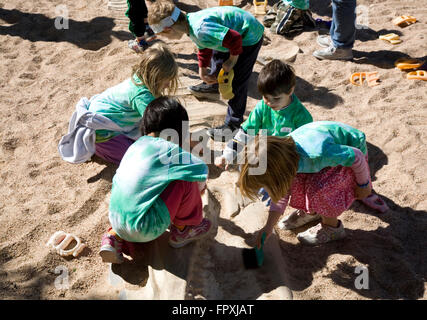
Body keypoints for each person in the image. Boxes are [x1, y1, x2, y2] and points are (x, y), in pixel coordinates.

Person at [238, 121, 389, 247]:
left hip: (351, 157)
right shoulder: (285, 157)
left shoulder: (319, 153)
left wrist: (364, 185)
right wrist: (268, 226)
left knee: (320, 190)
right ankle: (314, 212)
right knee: (297, 182)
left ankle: (332, 228)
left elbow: (356, 156)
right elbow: (282, 192)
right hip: (321, 161)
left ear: (280, 171)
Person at [99, 97, 212, 264]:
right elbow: (202, 170)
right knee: (185, 180)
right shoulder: (168, 149)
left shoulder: (136, 146)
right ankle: (184, 229)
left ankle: (113, 238)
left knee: (140, 190)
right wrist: (199, 188)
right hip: (146, 228)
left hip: (116, 218)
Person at [147, 0, 264, 139]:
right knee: (217, 54)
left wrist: (232, 61)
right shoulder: (189, 24)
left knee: (236, 82)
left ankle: (233, 125)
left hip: (248, 36)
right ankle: (214, 84)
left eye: (163, 35)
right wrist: (202, 70)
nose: (166, 38)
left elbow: (235, 39)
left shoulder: (200, 29)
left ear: (168, 29)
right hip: (230, 33)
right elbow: (204, 45)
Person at [58, 43, 178, 165]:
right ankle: (99, 148)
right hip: (102, 133)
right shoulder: (141, 96)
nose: (168, 85)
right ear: (154, 77)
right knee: (138, 158)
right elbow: (156, 128)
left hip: (108, 118)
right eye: (167, 80)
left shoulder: (140, 77)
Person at [214, 59, 313, 166]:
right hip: (266, 154)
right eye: (266, 97)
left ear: (290, 91)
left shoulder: (301, 115)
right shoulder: (262, 107)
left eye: (276, 98)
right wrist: (227, 155)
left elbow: (307, 145)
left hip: (289, 159)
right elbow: (245, 133)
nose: (270, 103)